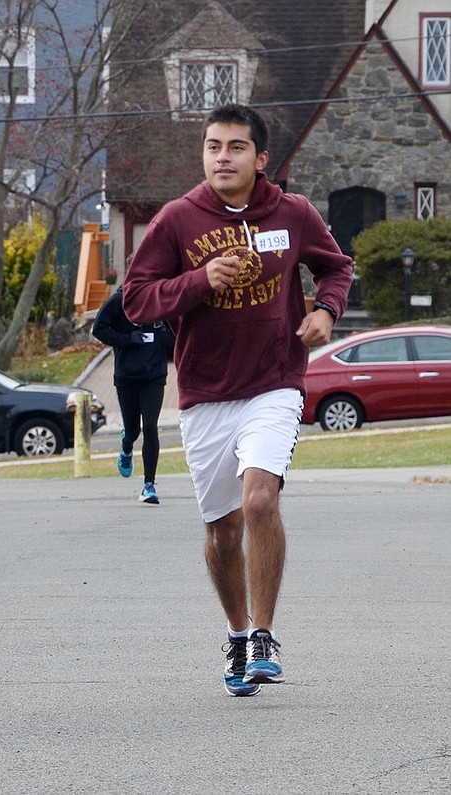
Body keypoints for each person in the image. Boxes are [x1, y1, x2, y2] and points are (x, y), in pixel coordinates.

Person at [122, 104, 352, 697]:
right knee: (223, 531)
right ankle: (238, 632)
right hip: (205, 394)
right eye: (213, 146)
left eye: (236, 147)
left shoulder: (293, 213)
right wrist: (201, 281)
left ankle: (266, 636)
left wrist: (325, 310)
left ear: (260, 158)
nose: (223, 157)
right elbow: (137, 301)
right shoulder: (177, 220)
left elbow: (336, 268)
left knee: (259, 500)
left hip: (274, 382)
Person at [91, 278, 174, 504]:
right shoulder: (119, 301)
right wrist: (128, 339)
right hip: (127, 375)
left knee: (150, 426)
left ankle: (149, 485)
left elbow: (175, 328)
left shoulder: (160, 298)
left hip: (154, 375)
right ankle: (126, 446)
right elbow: (98, 329)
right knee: (133, 430)